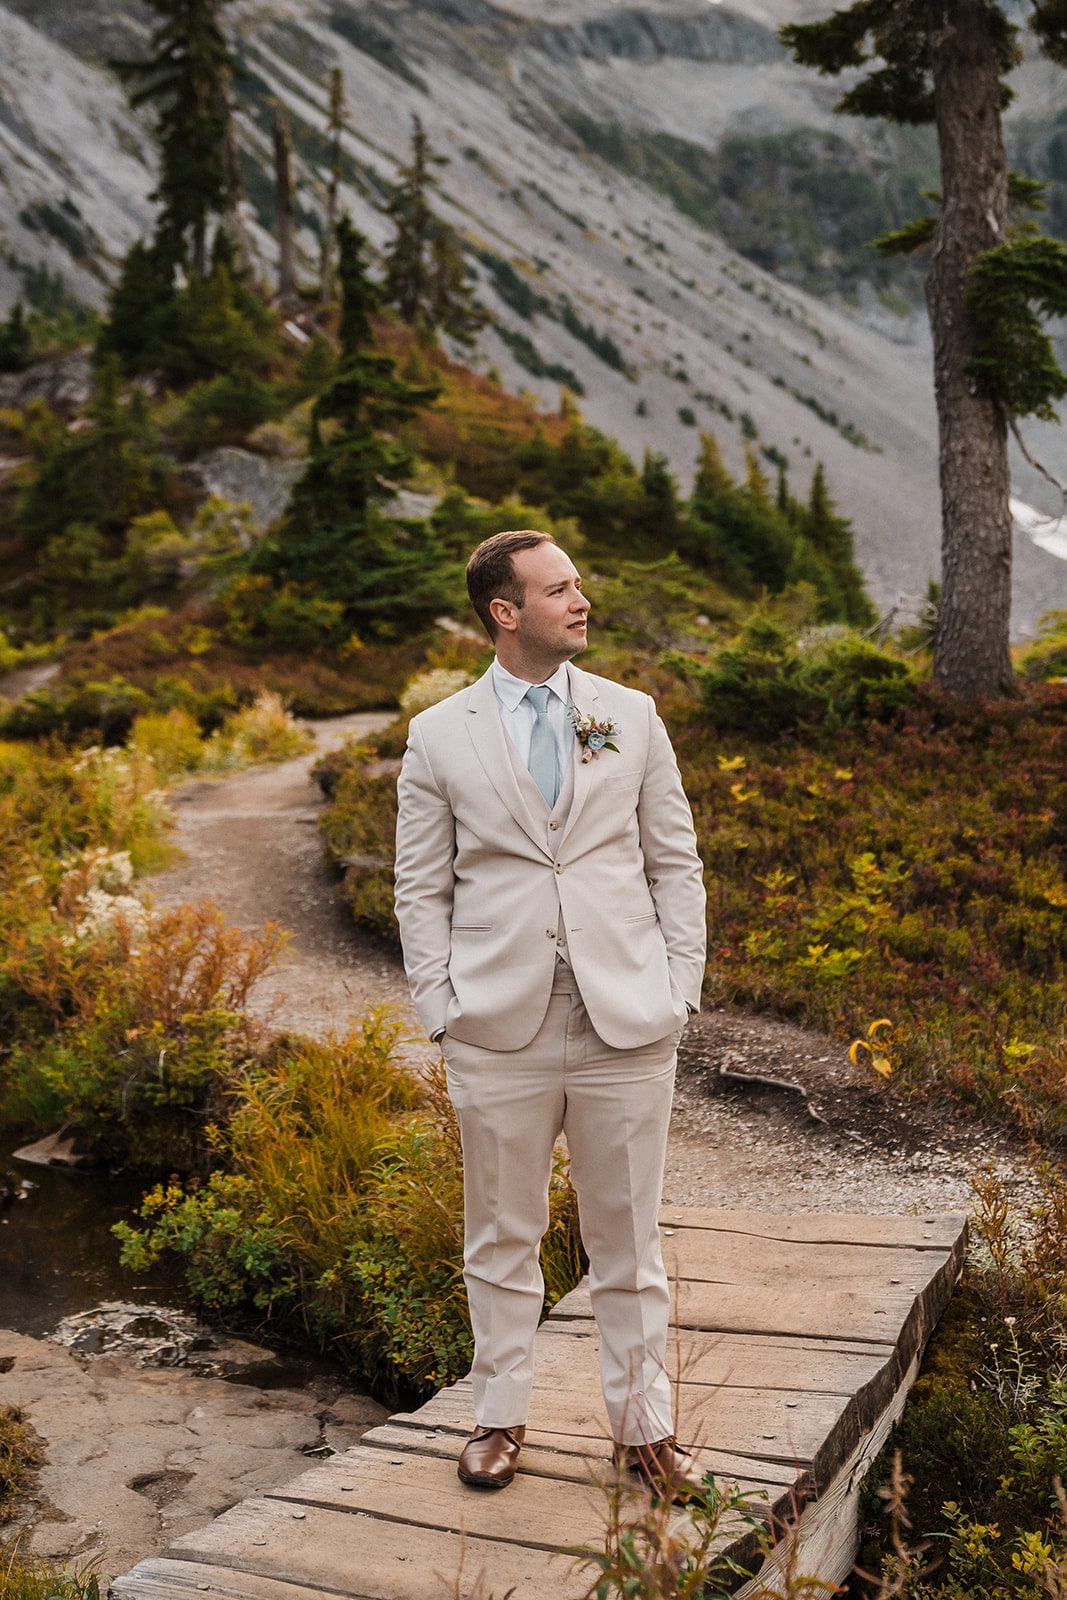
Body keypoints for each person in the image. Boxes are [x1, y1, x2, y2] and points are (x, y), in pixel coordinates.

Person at [393, 529, 707, 1493]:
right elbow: (420, 887)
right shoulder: (437, 734)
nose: (582, 601)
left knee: (629, 1238)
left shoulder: (630, 715)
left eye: (578, 584)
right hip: (497, 1028)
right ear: (504, 611)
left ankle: (645, 1429)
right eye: (559, 588)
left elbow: (673, 862)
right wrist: (442, 1008)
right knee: (500, 1235)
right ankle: (498, 1417)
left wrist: (678, 992)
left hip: (625, 1022)